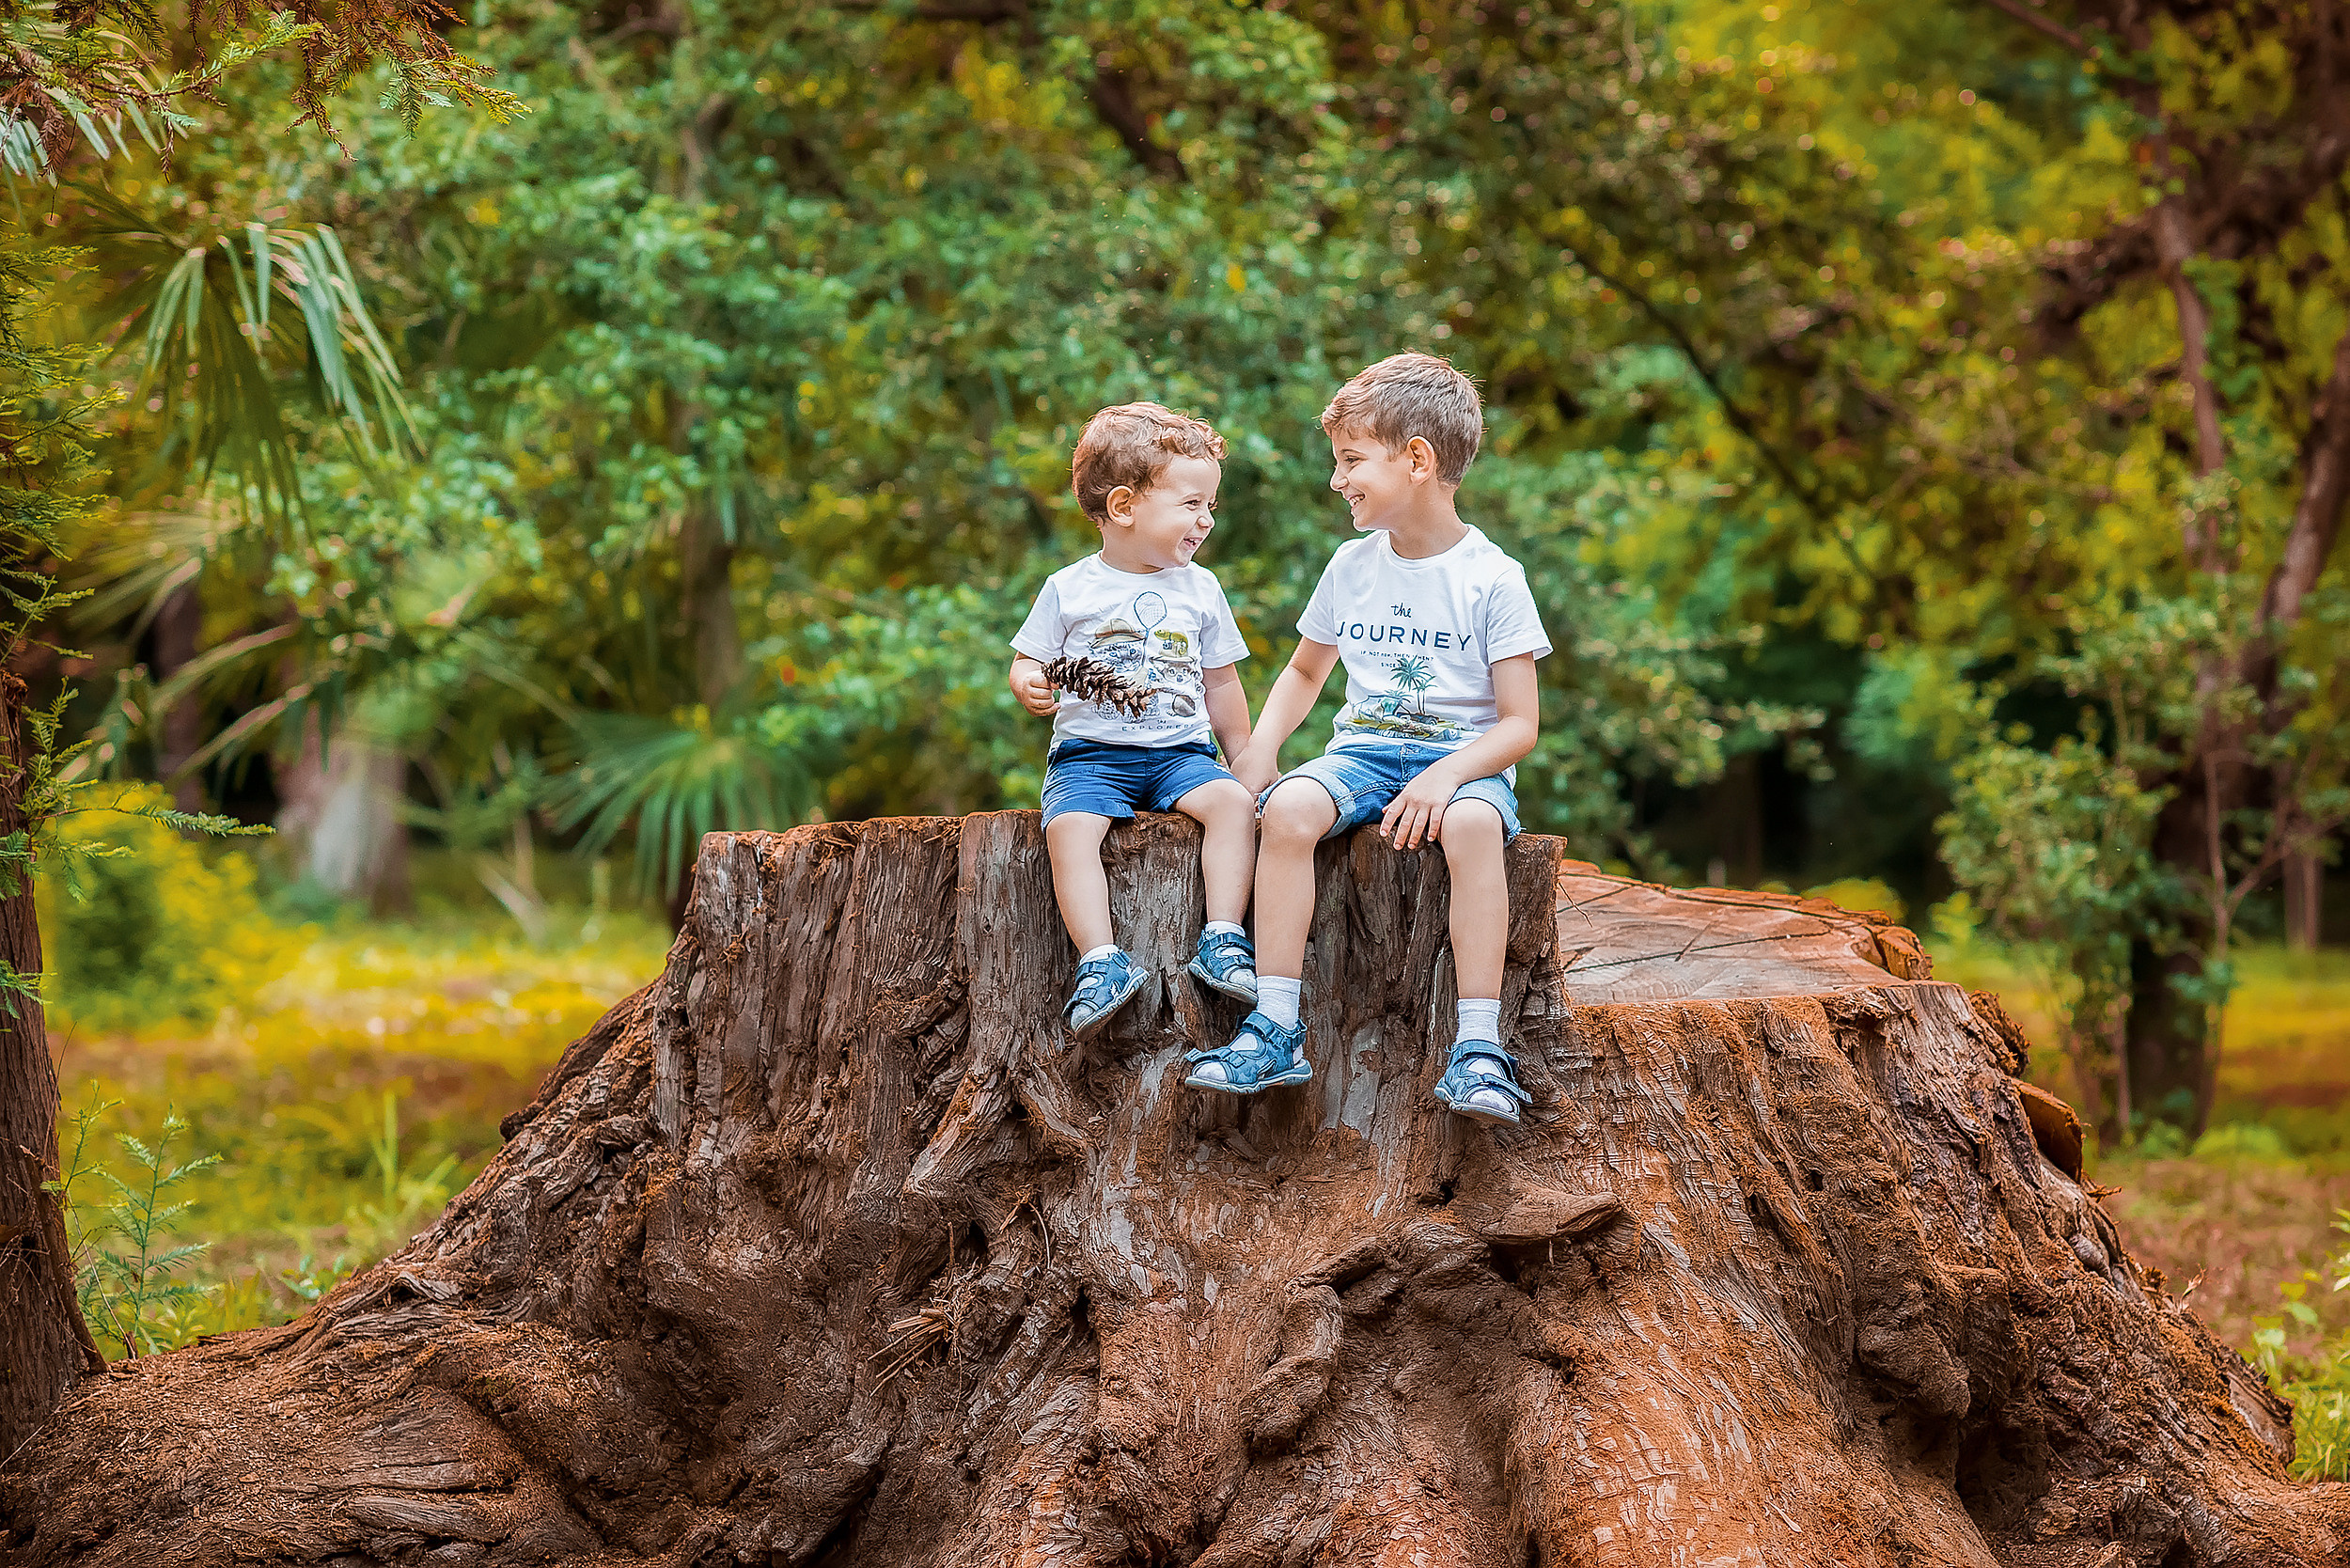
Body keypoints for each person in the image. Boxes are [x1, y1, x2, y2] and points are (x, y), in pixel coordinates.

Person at [1191, 354, 1550, 1123]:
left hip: (1462, 762)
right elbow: (1303, 672)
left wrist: (1447, 775)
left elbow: (1520, 723)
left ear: (1416, 460)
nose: (1336, 480)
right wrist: (1260, 751)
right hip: (1363, 753)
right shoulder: (1351, 566)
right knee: (1286, 812)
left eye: (1351, 460)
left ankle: (1479, 1046)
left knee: (1473, 824)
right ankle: (1276, 1025)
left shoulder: (1493, 578)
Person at [1009, 402, 1261, 1039]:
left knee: (1232, 807)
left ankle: (1224, 936)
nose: (1205, 520)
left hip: (1183, 754)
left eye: (1210, 506)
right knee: (1070, 831)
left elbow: (1221, 681)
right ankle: (1101, 960)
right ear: (1123, 507)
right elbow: (1026, 659)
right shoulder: (1070, 587)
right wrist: (1030, 683)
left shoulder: (1201, 589)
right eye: (1190, 505)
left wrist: (1247, 759)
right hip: (1091, 754)